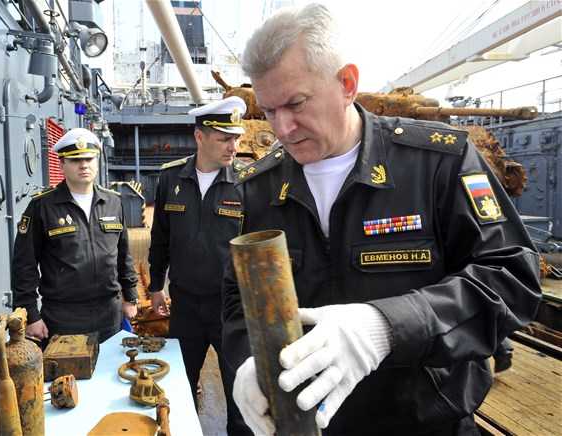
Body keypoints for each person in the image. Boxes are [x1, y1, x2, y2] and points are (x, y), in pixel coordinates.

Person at [222, 4, 542, 436]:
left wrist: (386, 326)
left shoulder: (438, 164)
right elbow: (237, 300)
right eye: (268, 110)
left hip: (425, 424)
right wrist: (249, 360)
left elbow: (512, 278)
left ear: (347, 83)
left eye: (295, 103)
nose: (282, 128)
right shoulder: (258, 187)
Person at [148, 96, 251, 435]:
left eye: (236, 138)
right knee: (179, 386)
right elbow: (160, 238)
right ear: (200, 137)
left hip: (231, 308)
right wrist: (155, 287)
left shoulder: (246, 183)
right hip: (186, 305)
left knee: (240, 392)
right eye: (224, 138)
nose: (233, 147)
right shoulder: (170, 179)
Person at [12, 128, 138, 345]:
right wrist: (31, 315)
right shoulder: (42, 206)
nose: (84, 165)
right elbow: (24, 265)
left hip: (110, 314)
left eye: (89, 159)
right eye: (75, 160)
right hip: (64, 318)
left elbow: (123, 254)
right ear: (62, 164)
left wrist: (131, 296)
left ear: (97, 161)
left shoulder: (113, 202)